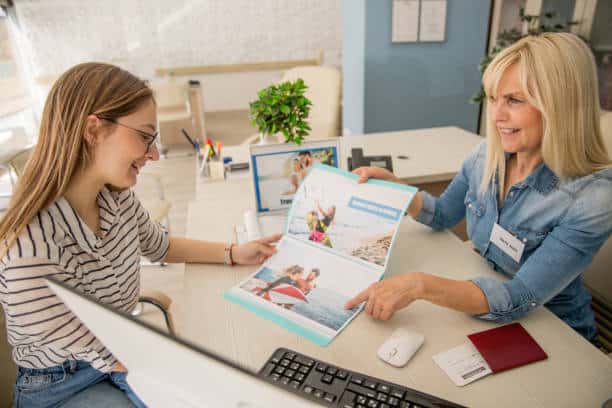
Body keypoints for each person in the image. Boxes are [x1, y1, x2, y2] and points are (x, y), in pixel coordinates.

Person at [0, 62, 281, 408]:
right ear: (93, 130)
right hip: (63, 382)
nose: (153, 153)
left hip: (119, 354)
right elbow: (105, 348)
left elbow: (160, 245)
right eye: (145, 136)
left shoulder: (115, 196)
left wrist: (235, 252)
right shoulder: (31, 250)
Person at [345, 32, 612, 342]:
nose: (496, 117)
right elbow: (443, 214)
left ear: (560, 106)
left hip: (557, 332)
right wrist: (397, 190)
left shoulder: (593, 198)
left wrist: (420, 285)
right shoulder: (488, 155)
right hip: (489, 299)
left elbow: (519, 296)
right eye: (494, 98)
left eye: (513, 100)